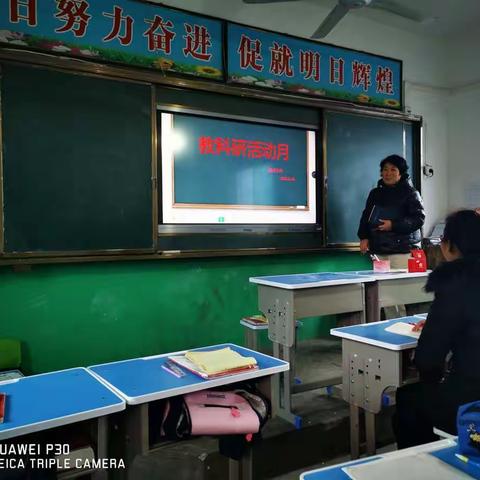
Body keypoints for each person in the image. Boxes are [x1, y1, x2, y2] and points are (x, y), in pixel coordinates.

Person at [393, 209, 480, 449]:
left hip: (472, 398)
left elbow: (428, 359)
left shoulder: (454, 281)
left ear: (449, 245)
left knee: (409, 401)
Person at [357, 154, 425, 317]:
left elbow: (418, 219)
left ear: (401, 173)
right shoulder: (375, 193)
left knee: (397, 294)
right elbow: (366, 215)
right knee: (383, 294)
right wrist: (364, 237)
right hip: (379, 250)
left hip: (401, 251)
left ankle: (400, 327)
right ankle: (388, 328)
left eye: (393, 170)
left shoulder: (410, 193)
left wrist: (393, 225)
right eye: (385, 170)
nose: (388, 173)